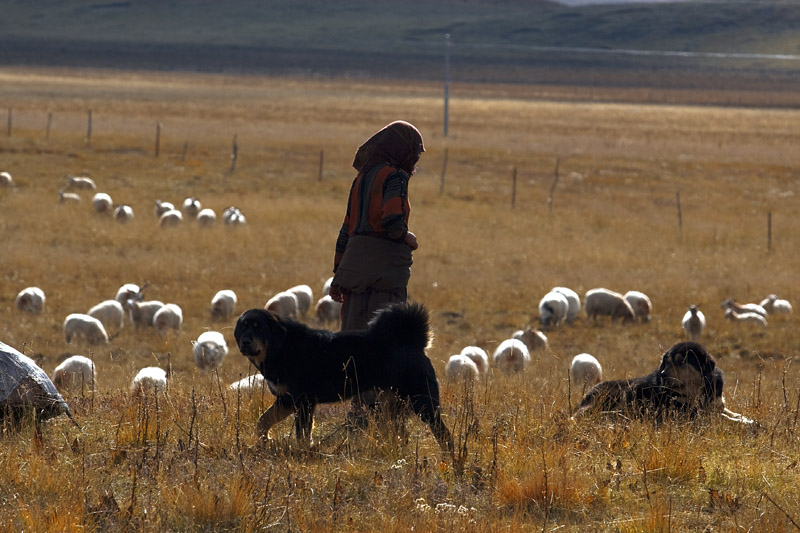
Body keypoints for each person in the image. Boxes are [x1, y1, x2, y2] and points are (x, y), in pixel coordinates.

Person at [329, 120, 424, 331]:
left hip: (353, 270)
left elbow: (346, 230)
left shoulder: (361, 178)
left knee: (353, 339)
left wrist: (339, 274)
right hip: (383, 273)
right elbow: (392, 221)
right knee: (383, 340)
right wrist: (407, 237)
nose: (415, 159)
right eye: (414, 153)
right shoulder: (395, 176)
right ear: (401, 149)